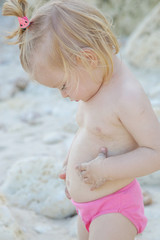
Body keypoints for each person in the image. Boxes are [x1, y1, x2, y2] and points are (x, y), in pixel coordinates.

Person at [2, 0, 160, 239]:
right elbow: (89, 131)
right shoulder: (95, 85)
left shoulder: (127, 97)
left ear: (88, 58)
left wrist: (104, 170)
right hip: (86, 208)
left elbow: (155, 152)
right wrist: (70, 165)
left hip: (114, 208)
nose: (63, 94)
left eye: (63, 85)